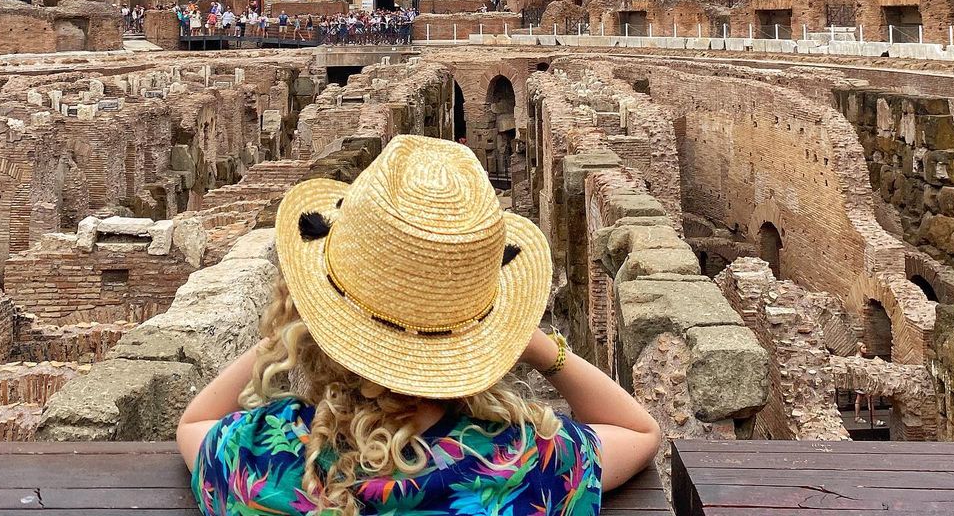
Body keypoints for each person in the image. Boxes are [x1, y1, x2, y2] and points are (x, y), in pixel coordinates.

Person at [177, 137, 661, 515]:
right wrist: (539, 349)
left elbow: (194, 423)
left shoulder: (263, 460)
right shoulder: (527, 465)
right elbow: (639, 432)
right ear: (483, 340)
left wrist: (290, 325)